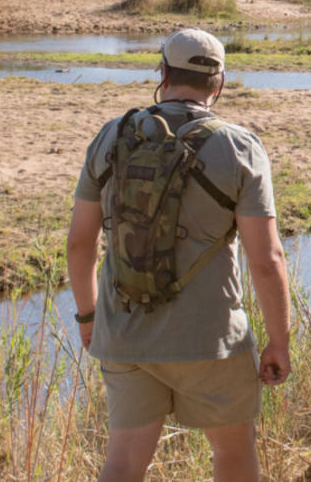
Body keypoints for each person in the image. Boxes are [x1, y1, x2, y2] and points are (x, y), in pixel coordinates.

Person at [65, 28, 292, 482]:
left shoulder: (111, 137)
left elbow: (79, 243)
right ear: (219, 83)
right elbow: (267, 260)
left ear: (163, 74)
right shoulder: (239, 147)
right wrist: (279, 342)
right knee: (233, 455)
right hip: (211, 341)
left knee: (123, 464)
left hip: (124, 334)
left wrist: (89, 318)